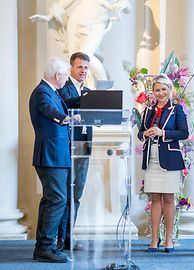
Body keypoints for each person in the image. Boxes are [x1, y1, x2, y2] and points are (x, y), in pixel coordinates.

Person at [29, 57, 79, 263]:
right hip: (51, 156)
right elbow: (47, 109)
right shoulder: (43, 92)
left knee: (51, 200)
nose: (66, 80)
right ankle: (46, 247)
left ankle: (43, 246)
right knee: (58, 199)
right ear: (58, 76)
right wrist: (65, 117)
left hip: (56, 155)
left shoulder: (52, 92)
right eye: (66, 76)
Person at [137, 73, 189, 253]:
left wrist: (162, 133)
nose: (160, 93)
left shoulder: (177, 110)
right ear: (153, 92)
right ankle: (153, 239)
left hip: (170, 159)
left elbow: (183, 133)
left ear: (170, 90)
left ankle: (168, 239)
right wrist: (145, 134)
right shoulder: (148, 111)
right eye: (157, 90)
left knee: (168, 198)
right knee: (154, 199)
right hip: (151, 159)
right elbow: (140, 132)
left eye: (163, 89)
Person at [29, 0, 131, 81]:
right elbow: (65, 1)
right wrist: (49, 17)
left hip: (97, 24)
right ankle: (76, 90)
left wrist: (124, 4)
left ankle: (104, 84)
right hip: (76, 21)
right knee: (73, 58)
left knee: (85, 54)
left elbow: (128, 7)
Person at [57, 52, 92, 250]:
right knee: (65, 194)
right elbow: (66, 106)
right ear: (71, 68)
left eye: (86, 67)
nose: (83, 71)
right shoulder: (64, 88)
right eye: (80, 67)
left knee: (77, 193)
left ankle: (69, 237)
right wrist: (86, 100)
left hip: (84, 144)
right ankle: (59, 238)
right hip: (69, 145)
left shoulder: (88, 90)